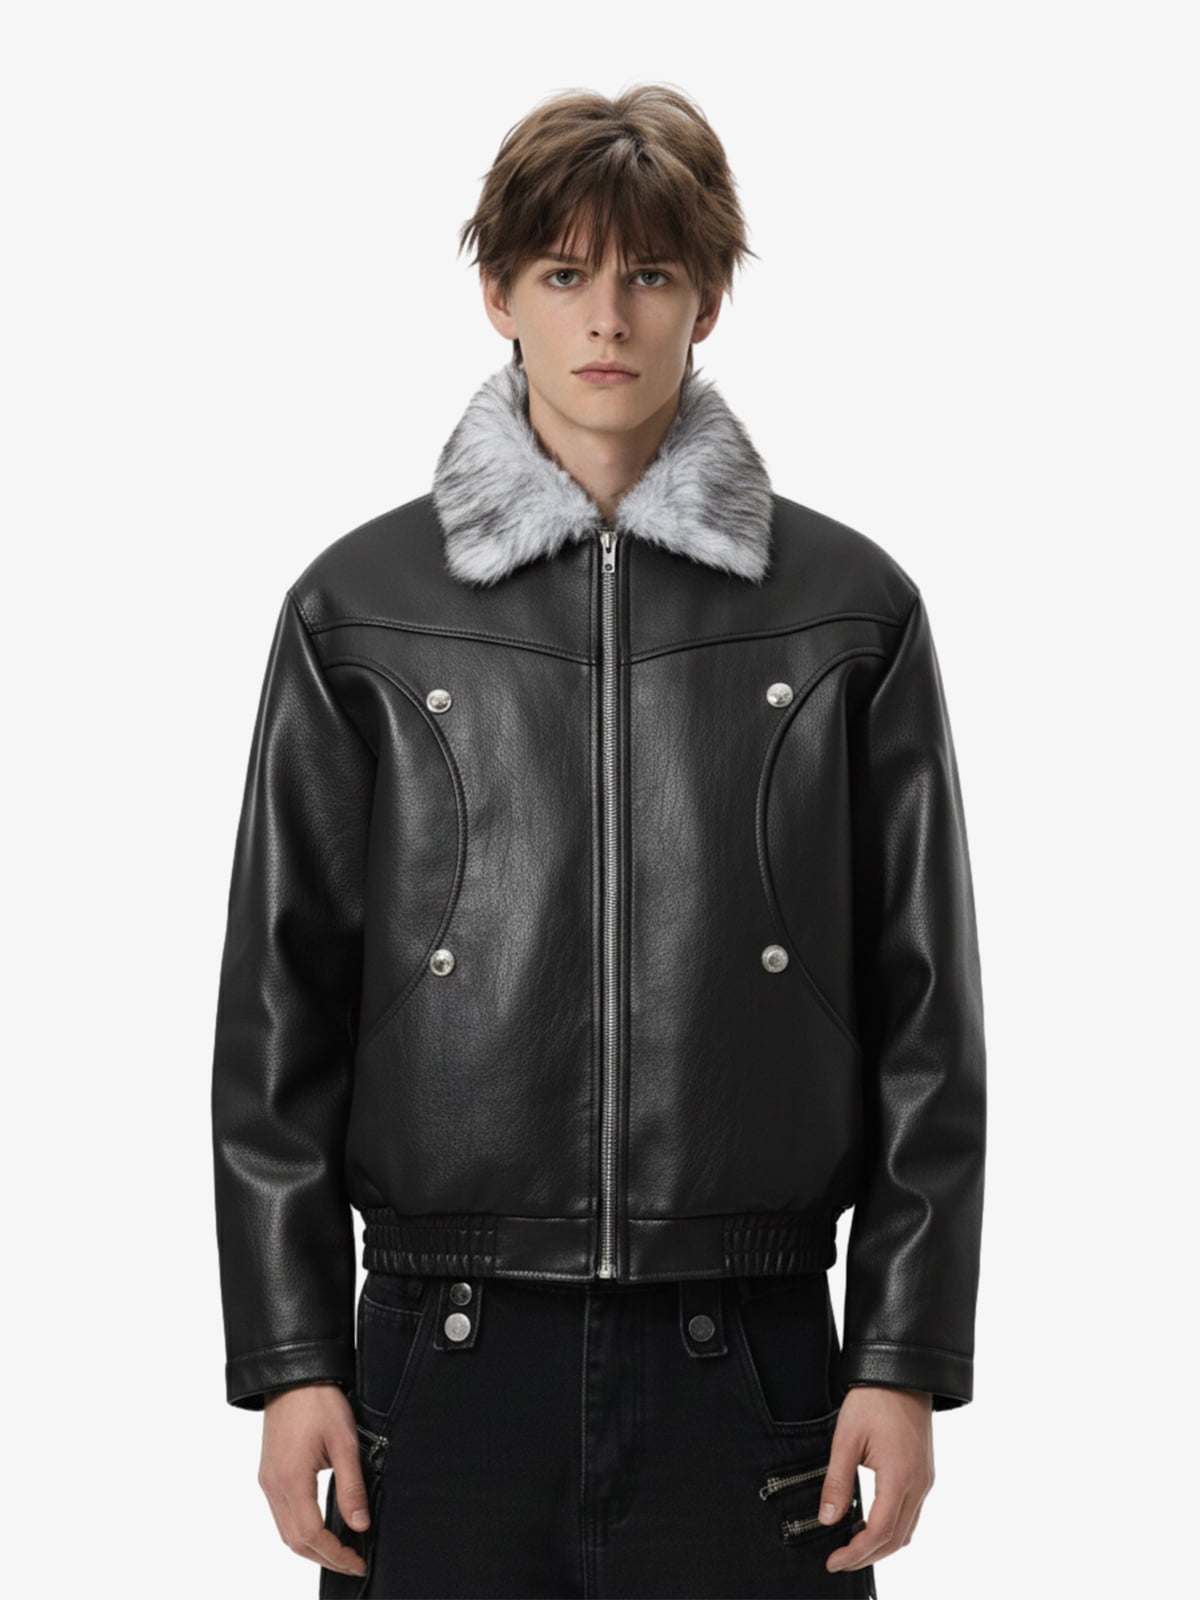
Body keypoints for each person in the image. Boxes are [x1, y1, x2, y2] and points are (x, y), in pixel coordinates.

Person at [210, 84, 986, 1600]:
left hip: (754, 1350)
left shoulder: (850, 612)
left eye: (651, 273)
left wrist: (900, 1355)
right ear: (498, 294)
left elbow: (928, 1025)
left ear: (709, 300)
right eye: (564, 273)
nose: (608, 316)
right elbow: (278, 1013)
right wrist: (293, 1356)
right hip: (438, 1350)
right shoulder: (357, 609)